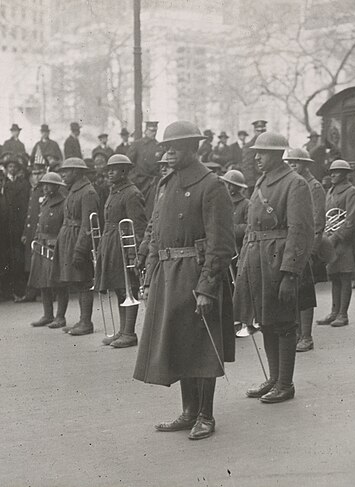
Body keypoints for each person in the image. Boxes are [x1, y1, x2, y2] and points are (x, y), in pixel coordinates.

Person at [134, 121, 235, 440]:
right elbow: (155, 235)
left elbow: (221, 244)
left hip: (195, 273)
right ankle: (189, 411)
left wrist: (207, 287)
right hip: (167, 274)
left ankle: (206, 415)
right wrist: (149, 280)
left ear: (194, 148)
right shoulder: (165, 185)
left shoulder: (212, 185)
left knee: (202, 345)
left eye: (176, 145)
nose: (168, 150)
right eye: (166, 146)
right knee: (178, 343)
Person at [234, 132, 314, 403]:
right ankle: (274, 378)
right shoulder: (262, 182)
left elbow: (300, 231)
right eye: (256, 151)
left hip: (278, 262)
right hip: (257, 261)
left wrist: (290, 273)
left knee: (284, 324)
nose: (257, 156)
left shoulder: (295, 183)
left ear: (279, 154)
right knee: (266, 321)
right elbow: (252, 229)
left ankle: (285, 383)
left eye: (263, 152)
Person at [95, 155, 147, 348]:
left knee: (129, 287)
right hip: (111, 243)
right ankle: (123, 330)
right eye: (109, 169)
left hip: (123, 245)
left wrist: (134, 254)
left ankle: (130, 333)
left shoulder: (131, 193)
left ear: (124, 171)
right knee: (119, 287)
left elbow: (139, 227)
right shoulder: (115, 191)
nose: (109, 172)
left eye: (115, 169)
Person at [51, 157, 100, 335]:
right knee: (78, 282)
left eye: (66, 171)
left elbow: (88, 225)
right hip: (69, 239)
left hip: (78, 240)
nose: (63, 174)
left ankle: (86, 322)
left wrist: (80, 249)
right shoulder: (74, 190)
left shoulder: (87, 192)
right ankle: (82, 320)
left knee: (84, 281)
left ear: (77, 172)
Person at [283, 147, 326, 352]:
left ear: (306, 164)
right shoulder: (293, 183)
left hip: (307, 246)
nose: (292, 165)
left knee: (305, 292)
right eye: (289, 162)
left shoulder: (314, 186)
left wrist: (312, 250)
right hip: (294, 245)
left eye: (296, 162)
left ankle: (306, 337)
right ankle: (299, 334)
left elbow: (317, 222)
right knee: (295, 291)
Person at [316, 159, 355, 327]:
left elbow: (352, 220)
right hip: (330, 239)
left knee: (344, 276)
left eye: (337, 172)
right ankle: (334, 312)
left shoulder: (351, 192)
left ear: (345, 174)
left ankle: (343, 314)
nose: (332, 175)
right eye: (331, 172)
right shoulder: (330, 191)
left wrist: (335, 237)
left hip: (343, 242)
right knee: (334, 276)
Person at [27, 172, 69, 328]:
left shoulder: (63, 203)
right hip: (42, 245)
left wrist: (57, 242)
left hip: (55, 246)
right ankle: (47, 314)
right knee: (43, 281)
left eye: (48, 184)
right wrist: (37, 240)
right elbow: (40, 224)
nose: (44, 187)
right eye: (43, 184)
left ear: (57, 186)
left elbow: (65, 227)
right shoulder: (45, 202)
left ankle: (60, 317)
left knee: (58, 283)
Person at [1, 156, 31, 301]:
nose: (12, 169)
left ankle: (20, 291)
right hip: (5, 228)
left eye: (14, 167)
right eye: (9, 167)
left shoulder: (22, 184)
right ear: (6, 169)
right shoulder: (4, 183)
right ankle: (9, 291)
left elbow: (24, 206)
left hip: (17, 226)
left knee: (18, 259)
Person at [20, 160, 49, 303]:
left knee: (43, 262)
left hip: (42, 230)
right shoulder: (34, 189)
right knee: (31, 263)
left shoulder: (47, 188)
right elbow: (29, 213)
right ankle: (31, 292)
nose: (37, 176)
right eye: (34, 173)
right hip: (32, 231)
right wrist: (25, 232)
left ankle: (46, 293)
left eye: (40, 173)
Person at [128, 121, 163, 219]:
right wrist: (133, 178)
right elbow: (128, 163)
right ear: (146, 131)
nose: (154, 133)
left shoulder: (159, 146)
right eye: (152, 130)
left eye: (155, 130)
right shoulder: (137, 145)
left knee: (150, 210)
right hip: (138, 182)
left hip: (152, 183)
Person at [219, 169, 249, 253]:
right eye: (226, 183)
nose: (228, 187)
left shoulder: (246, 204)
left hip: (239, 248)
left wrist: (230, 229)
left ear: (238, 187)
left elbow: (249, 227)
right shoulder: (219, 202)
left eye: (232, 185)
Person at [240, 120, 268, 195]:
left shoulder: (269, 145)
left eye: (263, 130)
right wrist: (251, 185)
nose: (261, 133)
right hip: (256, 182)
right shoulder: (249, 146)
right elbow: (247, 166)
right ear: (255, 131)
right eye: (259, 131)